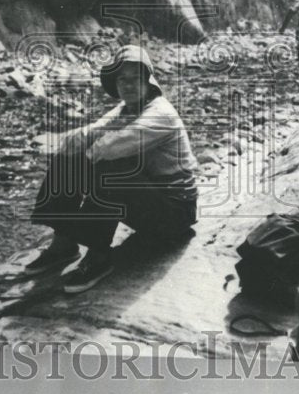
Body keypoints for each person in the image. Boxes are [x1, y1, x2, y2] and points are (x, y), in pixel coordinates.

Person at [26, 45, 198, 294]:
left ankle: (99, 256)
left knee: (110, 166)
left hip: (175, 214)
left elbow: (109, 148)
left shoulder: (160, 114)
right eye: (122, 79)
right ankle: (63, 244)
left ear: (148, 80)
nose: (128, 86)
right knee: (69, 156)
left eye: (135, 79)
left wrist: (77, 152)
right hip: (148, 203)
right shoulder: (126, 108)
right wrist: (65, 145)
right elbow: (92, 132)